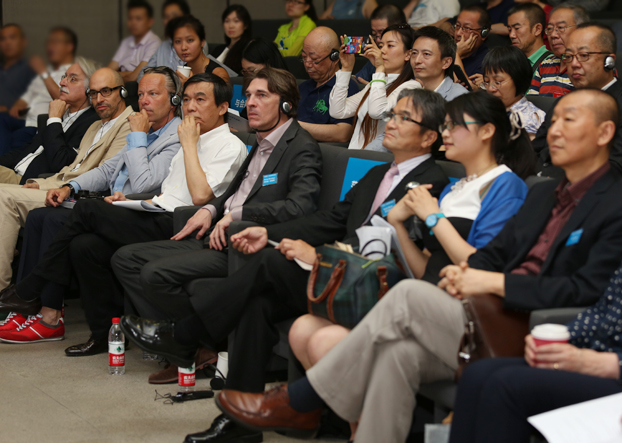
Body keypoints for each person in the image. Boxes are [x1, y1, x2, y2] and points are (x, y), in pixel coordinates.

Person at [212, 88, 622, 443]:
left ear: (604, 133)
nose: (554, 130)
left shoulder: (609, 202)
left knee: (407, 295)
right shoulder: (544, 194)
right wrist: (466, 273)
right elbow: (491, 256)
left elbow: (583, 289)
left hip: (529, 324)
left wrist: (488, 280)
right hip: (479, 309)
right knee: (397, 355)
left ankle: (301, 400)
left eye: (569, 119)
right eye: (554, 120)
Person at [121, 87, 450, 443]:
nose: (391, 123)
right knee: (256, 303)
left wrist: (318, 256)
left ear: (429, 137)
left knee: (266, 263)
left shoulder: (431, 182)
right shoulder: (377, 175)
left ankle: (185, 335)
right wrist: (269, 232)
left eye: (404, 118)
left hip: (374, 287)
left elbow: (401, 255)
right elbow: (329, 220)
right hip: (340, 275)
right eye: (392, 114)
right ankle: (239, 423)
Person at [287, 93, 533, 441]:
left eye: (455, 126)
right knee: (369, 345)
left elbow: (479, 266)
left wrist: (433, 217)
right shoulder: (454, 190)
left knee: (397, 298)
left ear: (486, 131)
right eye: (444, 125)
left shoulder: (506, 185)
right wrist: (399, 225)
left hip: (472, 317)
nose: (446, 132)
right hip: (429, 305)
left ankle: (301, 399)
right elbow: (425, 271)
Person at [0, 73, 247, 350]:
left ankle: (30, 288)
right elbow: (167, 191)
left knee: (87, 210)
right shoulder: (190, 138)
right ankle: (104, 335)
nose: (190, 107)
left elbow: (201, 196)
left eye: (200, 100)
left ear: (223, 107)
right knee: (85, 246)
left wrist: (188, 145)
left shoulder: (227, 145)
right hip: (155, 209)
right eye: (187, 99)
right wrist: (128, 199)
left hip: (182, 223)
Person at [111, 67, 322, 383]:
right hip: (215, 231)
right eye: (248, 95)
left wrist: (236, 216)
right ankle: (194, 348)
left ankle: (189, 345)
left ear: (286, 104)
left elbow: (300, 207)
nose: (250, 103)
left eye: (261, 95)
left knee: (154, 273)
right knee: (125, 259)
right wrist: (211, 209)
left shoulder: (300, 146)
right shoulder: (261, 141)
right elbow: (235, 192)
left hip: (245, 244)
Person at [449, 262, 622, 443]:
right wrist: (559, 338)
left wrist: (611, 364)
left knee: (508, 386)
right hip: (597, 353)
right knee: (477, 374)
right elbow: (602, 313)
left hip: (615, 373)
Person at [0, 68, 132, 292]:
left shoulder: (129, 124)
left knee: (3, 195)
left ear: (122, 92)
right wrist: (41, 183)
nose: (99, 99)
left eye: (106, 91)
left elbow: (104, 174)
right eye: (94, 93)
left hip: (80, 196)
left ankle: (2, 292)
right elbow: (72, 168)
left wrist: (64, 187)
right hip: (58, 185)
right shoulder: (95, 125)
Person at [532, 22, 620, 175]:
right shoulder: (564, 101)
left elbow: (616, 165)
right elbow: (536, 150)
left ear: (609, 62)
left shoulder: (618, 103)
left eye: (584, 56)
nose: (573, 64)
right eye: (569, 56)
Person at [0, 58, 99, 185]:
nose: (62, 82)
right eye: (64, 77)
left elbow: (60, 163)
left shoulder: (92, 123)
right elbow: (26, 150)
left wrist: (54, 120)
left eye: (73, 79)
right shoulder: (59, 114)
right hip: (15, 173)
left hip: (32, 183)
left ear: (90, 89)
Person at [330, 24, 421, 151]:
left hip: (377, 158)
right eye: (381, 45)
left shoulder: (412, 87)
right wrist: (346, 68)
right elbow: (337, 111)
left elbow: (377, 112)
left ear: (408, 54)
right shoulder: (376, 83)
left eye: (390, 45)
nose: (382, 51)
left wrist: (379, 69)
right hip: (354, 156)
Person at [0, 27, 76, 155]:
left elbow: (65, 101)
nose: (50, 47)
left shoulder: (74, 73)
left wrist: (44, 73)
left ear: (69, 47)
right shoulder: (47, 70)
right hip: (25, 120)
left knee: (10, 137)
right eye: (49, 42)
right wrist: (17, 105)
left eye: (55, 42)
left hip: (41, 124)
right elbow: (25, 98)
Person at [297, 27, 358, 143]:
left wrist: (294, 127)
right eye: (304, 58)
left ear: (335, 57)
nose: (307, 64)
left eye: (314, 59)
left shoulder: (347, 87)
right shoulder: (302, 87)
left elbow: (342, 133)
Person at [483, 46, 546, 138]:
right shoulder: (485, 111)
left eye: (498, 82)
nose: (490, 89)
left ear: (518, 79)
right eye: (487, 82)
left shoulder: (529, 120)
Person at [527, 3, 588, 97]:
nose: (553, 35)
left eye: (560, 27)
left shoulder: (588, 66)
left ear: (581, 29)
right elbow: (531, 102)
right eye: (550, 29)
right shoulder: (545, 64)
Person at [108, 0, 161, 83]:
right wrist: (127, 74)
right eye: (130, 18)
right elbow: (107, 71)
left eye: (138, 18)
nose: (133, 23)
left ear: (150, 22)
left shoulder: (154, 43)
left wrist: (116, 75)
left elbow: (134, 77)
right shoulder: (126, 41)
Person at [411, 26, 469, 100]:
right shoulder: (409, 91)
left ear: (446, 62)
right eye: (414, 53)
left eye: (426, 54)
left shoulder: (458, 98)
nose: (417, 60)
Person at [169, 15, 230, 85]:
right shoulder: (180, 74)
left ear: (202, 42)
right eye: (178, 41)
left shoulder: (218, 75)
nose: (183, 47)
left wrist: (189, 86)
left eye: (190, 40)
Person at [355, 4, 407, 83]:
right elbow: (359, 80)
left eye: (382, 32)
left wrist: (374, 87)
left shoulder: (415, 59)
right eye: (374, 34)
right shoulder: (377, 55)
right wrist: (347, 68)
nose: (378, 40)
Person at [0, 24, 35, 113]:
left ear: (23, 42)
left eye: (12, 37)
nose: (7, 42)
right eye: (3, 39)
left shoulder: (31, 69)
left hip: (15, 118)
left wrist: (7, 110)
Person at [507, 3, 552, 72]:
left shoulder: (552, 63)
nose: (511, 35)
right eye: (509, 30)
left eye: (517, 28)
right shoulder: (510, 63)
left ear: (537, 29)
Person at [210, 5, 252, 75]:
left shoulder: (248, 50)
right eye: (227, 21)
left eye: (236, 21)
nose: (231, 26)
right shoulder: (218, 49)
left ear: (245, 25)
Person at [453, 6, 491, 80]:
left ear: (484, 33)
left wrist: (456, 54)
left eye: (467, 28)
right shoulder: (445, 51)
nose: (458, 33)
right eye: (457, 26)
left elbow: (465, 86)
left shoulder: (488, 61)